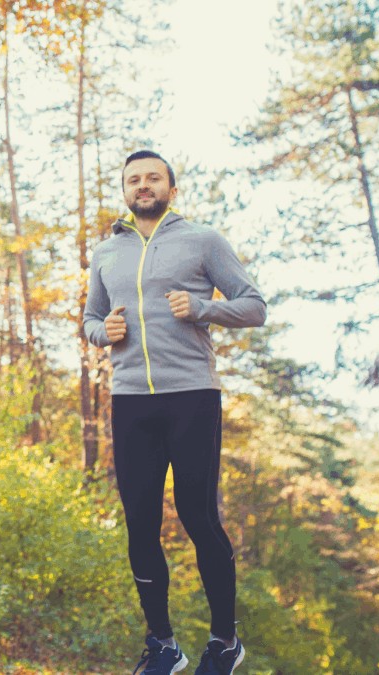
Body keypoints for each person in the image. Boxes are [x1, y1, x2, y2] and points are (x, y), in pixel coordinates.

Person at [83, 150, 266, 675]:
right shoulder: (107, 251)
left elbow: (254, 305)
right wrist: (102, 332)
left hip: (191, 397)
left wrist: (204, 307)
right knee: (139, 524)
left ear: (171, 188)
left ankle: (224, 642)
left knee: (198, 516)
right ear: (124, 190)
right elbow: (92, 318)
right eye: (134, 180)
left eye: (153, 178)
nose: (143, 186)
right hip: (130, 400)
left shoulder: (202, 241)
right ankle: (163, 645)